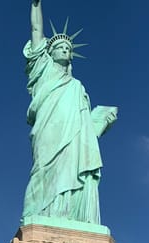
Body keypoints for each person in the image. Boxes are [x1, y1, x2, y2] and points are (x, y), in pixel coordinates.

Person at [21, 0, 118, 227]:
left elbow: (86, 129)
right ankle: (39, 214)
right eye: (60, 47)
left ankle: (72, 216)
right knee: (43, 169)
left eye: (68, 48)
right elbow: (36, 30)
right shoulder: (42, 70)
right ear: (50, 53)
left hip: (74, 138)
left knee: (73, 167)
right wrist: (36, 5)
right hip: (48, 129)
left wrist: (101, 121)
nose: (65, 50)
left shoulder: (77, 87)